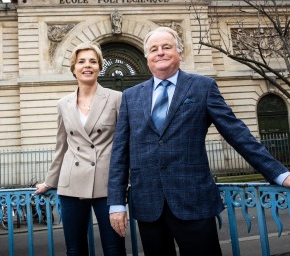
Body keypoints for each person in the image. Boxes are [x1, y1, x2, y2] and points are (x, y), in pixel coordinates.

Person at [107, 26, 290, 256]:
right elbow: (120, 152)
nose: (160, 52)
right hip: (148, 204)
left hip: (193, 201)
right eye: (154, 49)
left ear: (180, 52)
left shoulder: (203, 87)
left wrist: (279, 173)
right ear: (147, 58)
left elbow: (236, 133)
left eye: (166, 47)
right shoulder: (130, 96)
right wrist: (116, 202)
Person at [35, 42, 126, 256]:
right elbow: (61, 145)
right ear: (74, 68)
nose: (87, 66)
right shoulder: (63, 103)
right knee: (75, 250)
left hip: (106, 184)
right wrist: (50, 181)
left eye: (93, 62)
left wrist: (127, 179)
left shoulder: (116, 98)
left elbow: (125, 144)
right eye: (82, 61)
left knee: (114, 249)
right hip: (71, 183)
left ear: (100, 67)